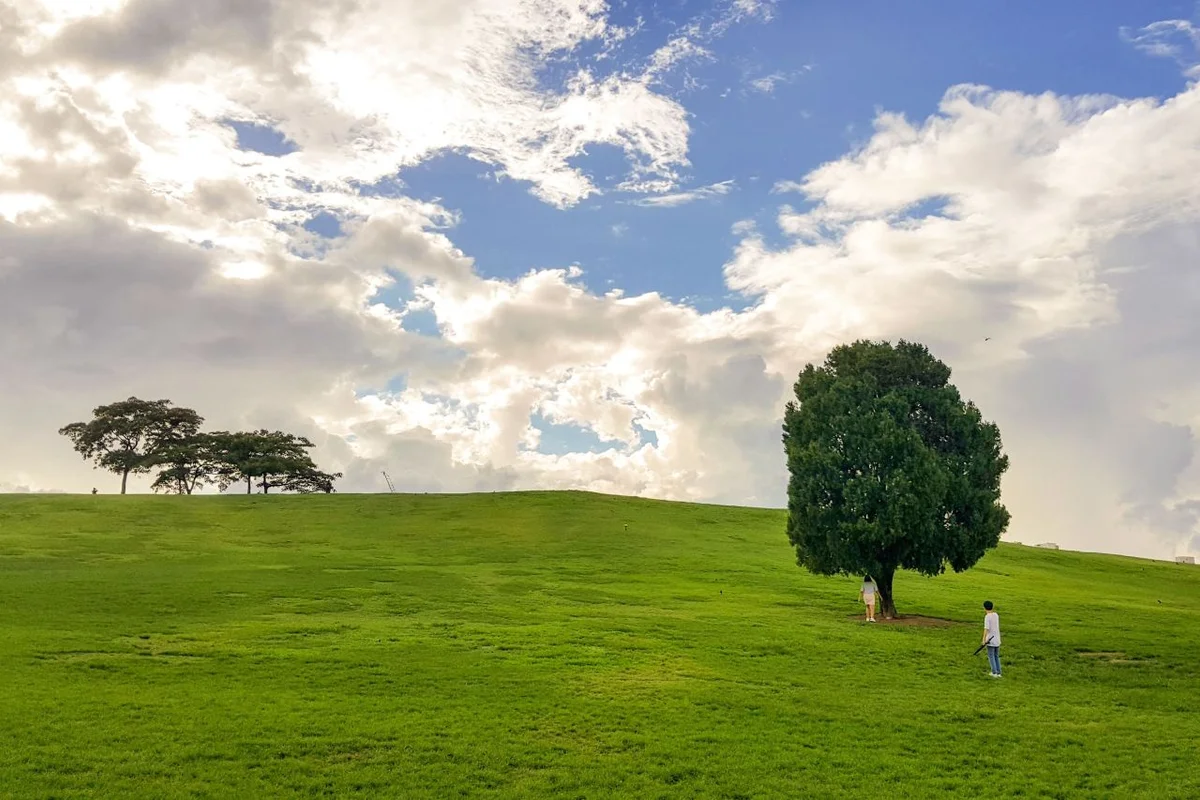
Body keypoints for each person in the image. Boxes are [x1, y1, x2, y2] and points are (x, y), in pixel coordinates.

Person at [982, 600, 1001, 677]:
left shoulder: (987, 617)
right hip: (997, 638)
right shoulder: (996, 615)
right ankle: (998, 672)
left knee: (991, 655)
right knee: (996, 655)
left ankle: (994, 672)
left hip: (990, 639)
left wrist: (984, 639)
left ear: (984, 608)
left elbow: (986, 629)